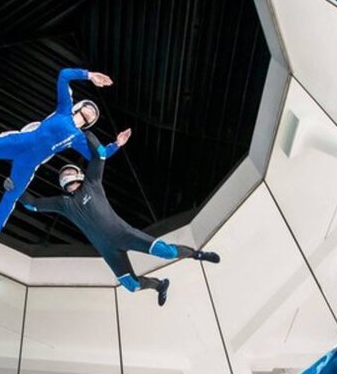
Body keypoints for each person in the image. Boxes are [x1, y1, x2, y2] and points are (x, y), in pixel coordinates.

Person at [0, 68, 128, 249]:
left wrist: (116, 144)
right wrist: (89, 75)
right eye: (89, 107)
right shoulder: (64, 110)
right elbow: (64, 75)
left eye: (94, 114)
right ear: (79, 106)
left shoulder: (79, 138)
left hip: (28, 163)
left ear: (91, 122)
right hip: (18, 142)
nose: (91, 111)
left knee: (12, 195)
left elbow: (100, 156)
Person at [18, 131, 220, 306]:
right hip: (108, 250)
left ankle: (197, 254)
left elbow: (99, 154)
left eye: (69, 170)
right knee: (131, 286)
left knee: (166, 252)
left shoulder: (92, 182)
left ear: (78, 173)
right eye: (62, 174)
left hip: (125, 235)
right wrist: (15, 187)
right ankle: (159, 285)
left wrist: (82, 132)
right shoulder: (63, 203)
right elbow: (32, 204)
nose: (65, 175)